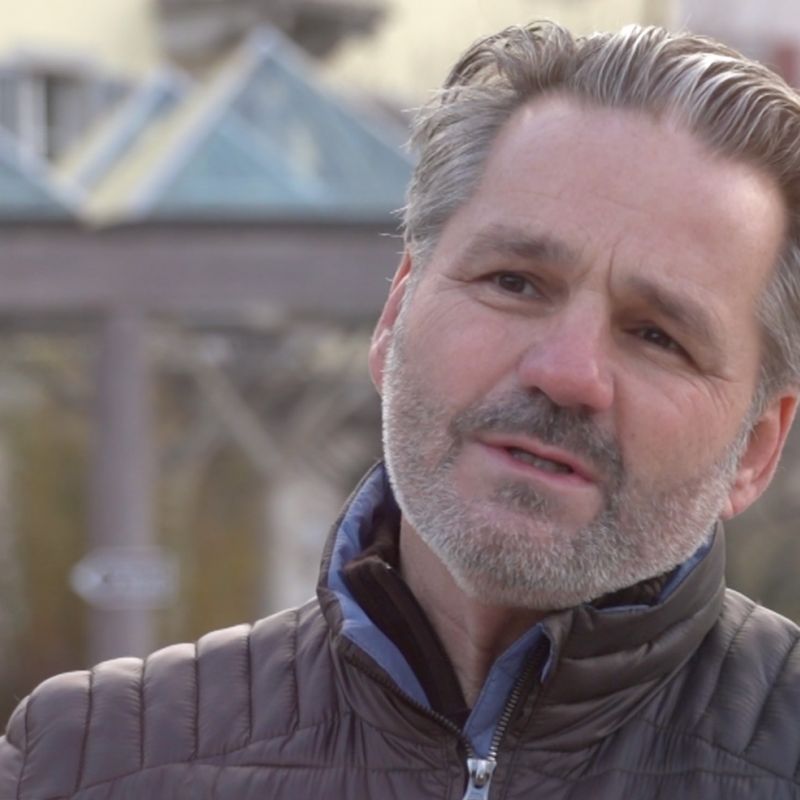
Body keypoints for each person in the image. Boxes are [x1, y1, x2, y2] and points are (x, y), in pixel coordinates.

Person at [3, 20, 800, 800]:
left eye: (658, 336)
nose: (566, 373)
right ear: (395, 314)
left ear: (758, 448)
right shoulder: (88, 764)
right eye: (514, 282)